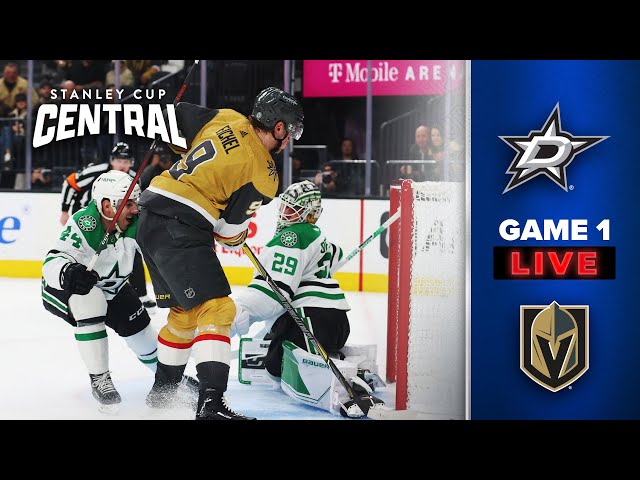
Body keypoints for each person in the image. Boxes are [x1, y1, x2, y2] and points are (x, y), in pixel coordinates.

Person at [136, 86, 304, 420]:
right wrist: (237, 234)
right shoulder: (265, 175)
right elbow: (227, 231)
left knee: (185, 315)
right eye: (289, 133)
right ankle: (211, 403)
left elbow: (170, 119)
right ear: (279, 127)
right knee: (219, 308)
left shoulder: (226, 117)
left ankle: (163, 393)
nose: (287, 143)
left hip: (151, 215)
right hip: (181, 224)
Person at [41, 170, 198, 412]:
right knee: (90, 300)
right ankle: (99, 378)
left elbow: (165, 244)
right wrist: (70, 273)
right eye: (129, 204)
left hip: (113, 287)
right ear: (107, 206)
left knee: (144, 338)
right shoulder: (86, 223)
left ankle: (170, 380)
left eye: (136, 202)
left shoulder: (136, 222)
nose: (135, 209)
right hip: (66, 289)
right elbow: (51, 263)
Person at [229, 180, 385, 416]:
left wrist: (241, 312)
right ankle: (350, 364)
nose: (285, 214)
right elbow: (336, 254)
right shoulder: (319, 238)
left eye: (293, 210)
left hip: (310, 320)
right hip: (339, 322)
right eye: (284, 207)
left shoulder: (291, 237)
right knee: (294, 352)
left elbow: (274, 293)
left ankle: (349, 386)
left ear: (310, 214)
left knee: (274, 369)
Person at [59, 142, 157, 312]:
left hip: (120, 222)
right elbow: (70, 183)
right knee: (86, 255)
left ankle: (140, 294)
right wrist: (65, 211)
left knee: (132, 253)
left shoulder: (134, 177)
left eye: (126, 161)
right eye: (119, 160)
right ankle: (77, 291)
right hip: (93, 222)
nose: (122, 165)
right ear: (112, 160)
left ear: (131, 163)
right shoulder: (96, 171)